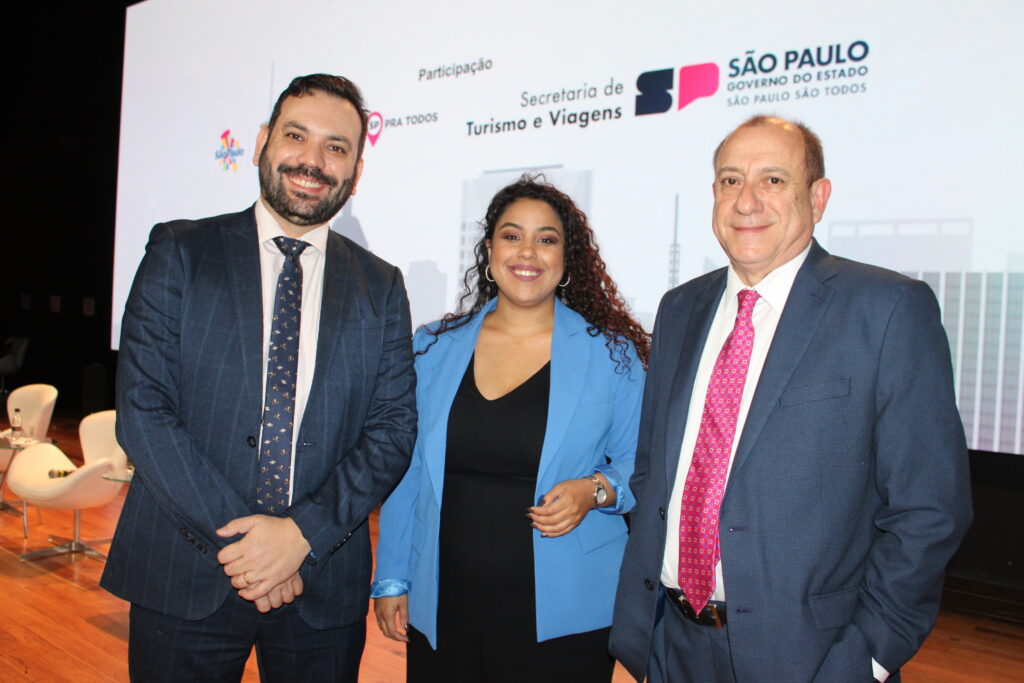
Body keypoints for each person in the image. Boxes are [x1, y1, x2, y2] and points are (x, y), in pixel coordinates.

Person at [610, 116, 972, 682]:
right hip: (670, 645)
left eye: (773, 180)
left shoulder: (888, 310)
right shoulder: (680, 309)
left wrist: (870, 656)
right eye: (730, 181)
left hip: (812, 658)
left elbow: (929, 509)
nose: (747, 201)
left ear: (818, 197)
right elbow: (654, 471)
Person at [102, 74, 417, 681]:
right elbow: (143, 410)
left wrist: (300, 536)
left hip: (321, 580)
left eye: (337, 147)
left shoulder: (382, 286)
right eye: (296, 136)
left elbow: (392, 429)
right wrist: (254, 551)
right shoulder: (181, 251)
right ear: (261, 142)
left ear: (356, 171)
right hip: (185, 571)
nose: (313, 160)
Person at [372, 177, 647, 682]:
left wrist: (596, 490)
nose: (528, 252)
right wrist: (391, 577)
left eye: (547, 239)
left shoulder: (612, 355)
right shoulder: (432, 347)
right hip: (445, 602)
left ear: (567, 259)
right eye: (511, 235)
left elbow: (642, 464)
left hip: (569, 611)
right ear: (490, 248)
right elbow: (405, 471)